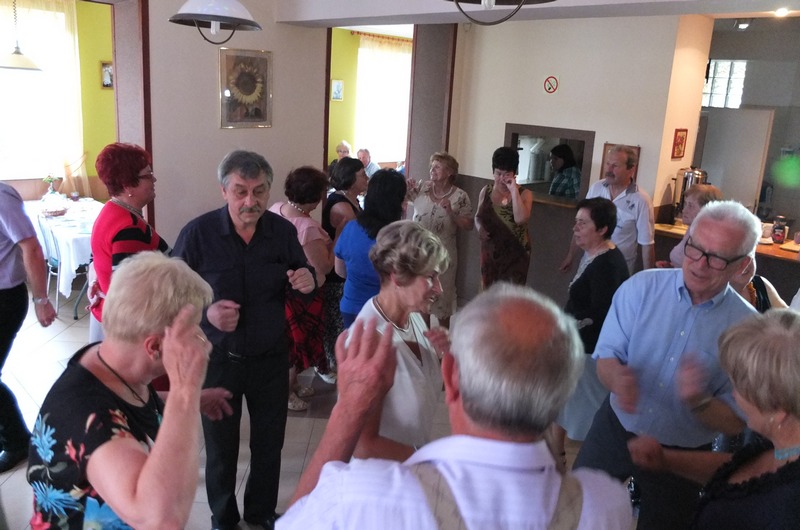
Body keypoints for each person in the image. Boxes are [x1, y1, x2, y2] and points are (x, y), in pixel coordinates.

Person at [277, 283, 633, 529]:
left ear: (450, 375)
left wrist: (349, 409)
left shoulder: (368, 496)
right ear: (562, 395)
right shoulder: (605, 504)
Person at [573, 200, 761, 530]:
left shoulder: (748, 331)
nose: (699, 264)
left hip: (683, 455)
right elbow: (606, 356)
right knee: (577, 509)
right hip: (614, 429)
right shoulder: (641, 288)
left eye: (716, 258)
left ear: (742, 265)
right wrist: (618, 379)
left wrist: (699, 401)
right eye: (694, 248)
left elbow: (735, 422)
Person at [27, 251, 233, 528]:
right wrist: (185, 390)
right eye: (193, 332)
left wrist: (191, 398)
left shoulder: (107, 361)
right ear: (155, 346)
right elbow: (161, 520)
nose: (201, 339)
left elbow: (126, 408)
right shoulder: (89, 417)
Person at [172, 150, 316, 530]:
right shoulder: (197, 234)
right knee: (220, 448)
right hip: (219, 358)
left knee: (269, 444)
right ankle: (223, 518)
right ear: (224, 191)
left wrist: (308, 279)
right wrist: (207, 314)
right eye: (240, 191)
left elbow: (300, 277)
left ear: (269, 191)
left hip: (270, 357)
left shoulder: (282, 232)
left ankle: (260, 513)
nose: (250, 201)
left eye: (259, 191)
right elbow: (172, 296)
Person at [628, 309, 800, 529]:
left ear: (778, 409)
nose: (734, 394)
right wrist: (666, 460)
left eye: (740, 387)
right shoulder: (785, 446)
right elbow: (747, 471)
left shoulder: (787, 510)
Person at [351, 220, 449, 460]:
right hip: (380, 476)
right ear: (397, 276)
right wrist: (430, 463)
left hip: (408, 469)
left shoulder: (413, 318)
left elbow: (422, 385)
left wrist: (446, 357)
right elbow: (363, 445)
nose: (439, 289)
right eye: (431, 277)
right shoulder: (369, 342)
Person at [553, 198, 629, 460]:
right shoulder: (594, 255)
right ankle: (556, 452)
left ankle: (596, 461)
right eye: (576, 222)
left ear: (602, 229)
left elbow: (599, 314)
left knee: (588, 409)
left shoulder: (607, 265)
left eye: (582, 223)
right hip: (577, 343)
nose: (575, 228)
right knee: (563, 398)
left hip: (590, 349)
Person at [0, 182, 56, 473]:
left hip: (4, 298)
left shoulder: (1, 196)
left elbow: (31, 247)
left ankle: (17, 442)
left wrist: (41, 299)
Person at [89, 143, 170, 343]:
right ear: (127, 185)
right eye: (148, 175)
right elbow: (131, 295)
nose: (154, 179)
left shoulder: (112, 211)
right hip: (133, 331)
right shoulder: (127, 228)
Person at [269, 166, 333, 411]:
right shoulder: (307, 226)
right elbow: (323, 267)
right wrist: (337, 241)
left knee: (289, 342)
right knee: (296, 344)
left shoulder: (277, 209)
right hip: (303, 294)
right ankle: (286, 394)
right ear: (314, 197)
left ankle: (293, 385)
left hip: (281, 288)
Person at [561, 145, 654, 275]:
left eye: (615, 166)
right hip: (589, 264)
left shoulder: (641, 200)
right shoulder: (596, 188)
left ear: (631, 169)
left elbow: (647, 244)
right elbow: (581, 224)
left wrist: (649, 278)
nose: (609, 170)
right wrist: (570, 256)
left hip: (618, 269)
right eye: (608, 164)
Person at [407, 152, 473, 327]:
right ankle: (424, 338)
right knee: (422, 296)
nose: (432, 170)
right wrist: (406, 189)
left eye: (437, 167)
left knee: (443, 296)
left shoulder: (460, 196)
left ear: (450, 172)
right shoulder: (422, 188)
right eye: (431, 166)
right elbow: (402, 200)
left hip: (444, 256)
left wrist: (451, 212)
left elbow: (468, 225)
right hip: (420, 252)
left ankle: (443, 339)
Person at [334, 169, 407, 327]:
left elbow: (340, 270)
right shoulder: (402, 236)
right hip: (388, 308)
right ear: (398, 202)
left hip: (352, 306)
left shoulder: (351, 228)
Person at [320, 157, 368, 381]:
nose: (367, 178)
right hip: (337, 269)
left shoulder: (351, 200)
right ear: (350, 178)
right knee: (336, 320)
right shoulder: (342, 206)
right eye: (362, 175)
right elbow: (350, 239)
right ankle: (335, 363)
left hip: (346, 266)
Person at [475, 146, 533, 288]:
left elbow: (521, 219)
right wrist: (480, 228)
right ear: (493, 172)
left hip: (515, 255)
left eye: (506, 174)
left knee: (509, 296)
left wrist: (513, 190)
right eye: (498, 173)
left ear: (514, 174)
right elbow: (477, 216)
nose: (501, 179)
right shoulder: (486, 191)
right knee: (488, 293)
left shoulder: (525, 194)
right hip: (490, 252)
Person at [655, 183, 722, 268]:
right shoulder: (692, 228)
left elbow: (700, 271)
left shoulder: (708, 239)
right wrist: (670, 266)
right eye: (685, 204)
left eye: (690, 206)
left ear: (706, 210)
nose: (684, 210)